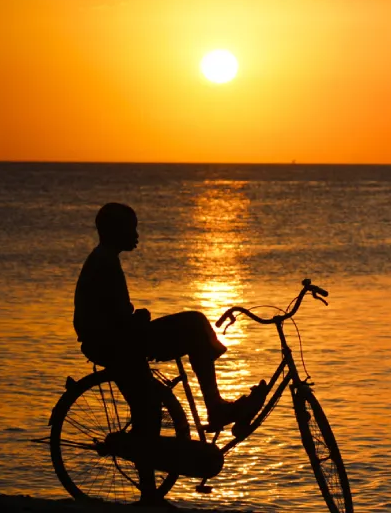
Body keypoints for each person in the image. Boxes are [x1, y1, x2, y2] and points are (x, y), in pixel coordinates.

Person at [74, 203, 262, 504]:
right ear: (114, 231)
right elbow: (115, 320)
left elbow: (114, 314)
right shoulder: (104, 263)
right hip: (117, 344)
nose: (136, 235)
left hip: (119, 339)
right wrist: (138, 318)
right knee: (149, 406)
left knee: (194, 327)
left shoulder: (104, 259)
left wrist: (135, 318)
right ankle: (212, 412)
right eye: (131, 228)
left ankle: (213, 409)